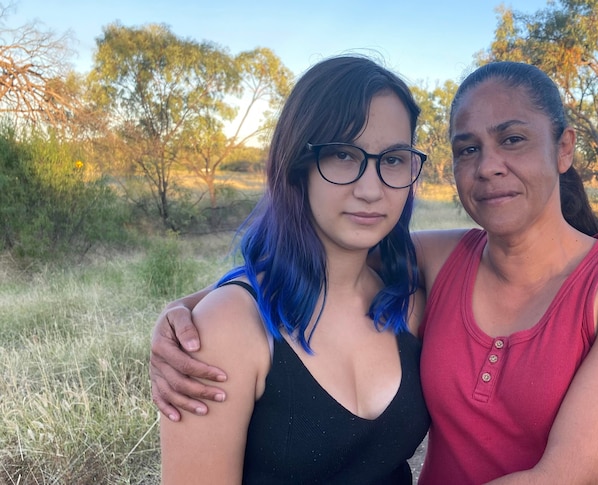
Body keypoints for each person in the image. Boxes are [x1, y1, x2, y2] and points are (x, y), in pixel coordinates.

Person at [152, 61, 598, 484]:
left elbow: (564, 478)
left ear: (564, 148)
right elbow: (297, 266)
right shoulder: (440, 263)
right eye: (467, 149)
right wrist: (188, 313)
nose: (488, 166)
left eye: (514, 139)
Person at [158, 55, 432, 484]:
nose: (371, 189)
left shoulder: (409, 303)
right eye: (343, 154)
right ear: (296, 164)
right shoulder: (230, 328)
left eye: (394, 159)